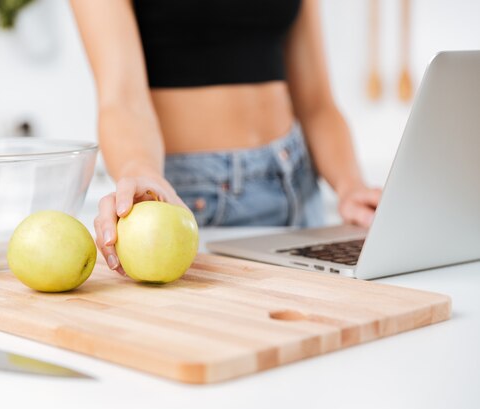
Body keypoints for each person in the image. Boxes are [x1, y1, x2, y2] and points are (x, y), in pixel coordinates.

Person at [71, 0, 382, 275]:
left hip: (299, 185)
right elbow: (122, 100)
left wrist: (350, 185)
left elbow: (317, 104)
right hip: (194, 199)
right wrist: (141, 172)